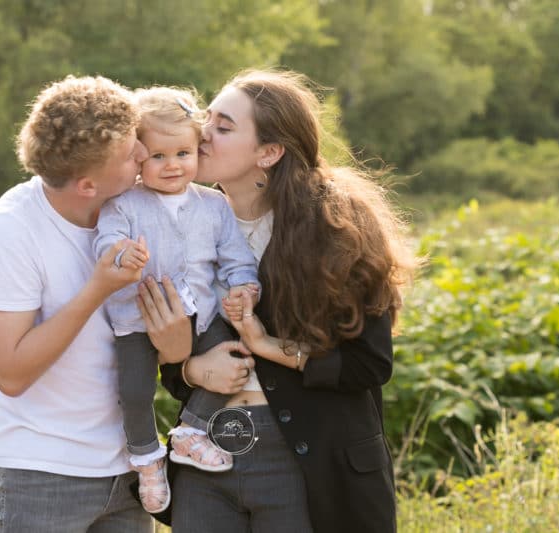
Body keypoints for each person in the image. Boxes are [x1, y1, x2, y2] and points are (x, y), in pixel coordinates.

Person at [139, 69, 419, 532]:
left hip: (308, 463)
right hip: (205, 461)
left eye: (223, 127)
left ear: (268, 153)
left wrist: (270, 346)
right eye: (207, 118)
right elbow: (170, 361)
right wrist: (188, 367)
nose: (202, 133)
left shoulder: (338, 231)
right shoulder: (175, 222)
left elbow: (370, 366)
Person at [0, 75, 154, 533]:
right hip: (40, 475)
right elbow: (10, 373)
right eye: (131, 155)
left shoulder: (139, 211)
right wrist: (96, 290)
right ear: (88, 185)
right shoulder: (10, 231)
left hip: (128, 469)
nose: (144, 155)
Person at [93, 86, 260, 514]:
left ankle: (191, 431)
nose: (172, 166)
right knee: (132, 391)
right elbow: (106, 240)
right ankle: (147, 459)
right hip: (135, 318)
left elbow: (235, 257)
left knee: (237, 354)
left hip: (202, 317)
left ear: (196, 151)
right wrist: (119, 252)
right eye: (158, 157)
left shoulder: (213, 204)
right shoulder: (123, 204)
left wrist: (244, 285)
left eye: (183, 154)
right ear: (137, 158)